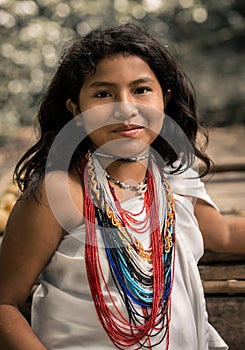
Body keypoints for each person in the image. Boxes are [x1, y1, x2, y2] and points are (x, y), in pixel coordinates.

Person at [0, 23, 244, 350]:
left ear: (165, 99)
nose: (125, 108)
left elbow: (223, 233)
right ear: (77, 109)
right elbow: (4, 304)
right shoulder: (58, 194)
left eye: (141, 90)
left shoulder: (174, 177)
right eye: (103, 94)